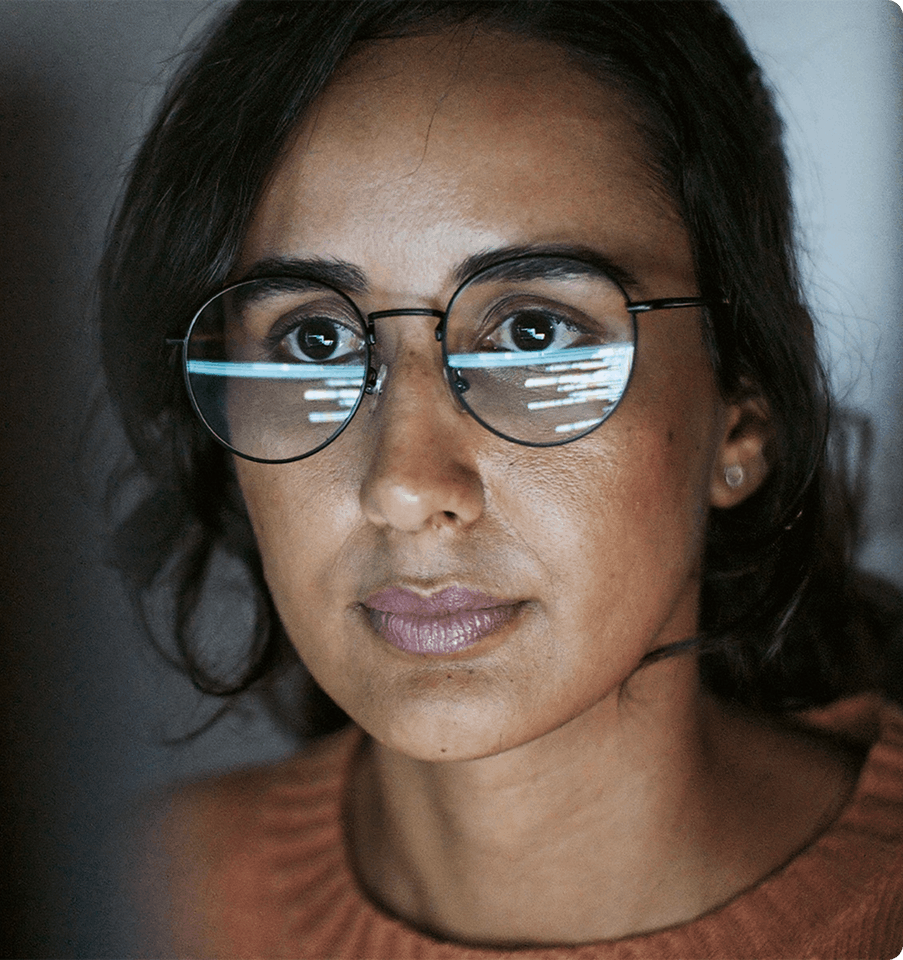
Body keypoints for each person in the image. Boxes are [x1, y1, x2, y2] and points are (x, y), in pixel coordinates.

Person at [96, 2, 903, 956]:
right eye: (313, 341)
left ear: (743, 416)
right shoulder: (163, 894)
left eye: (534, 332)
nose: (403, 483)